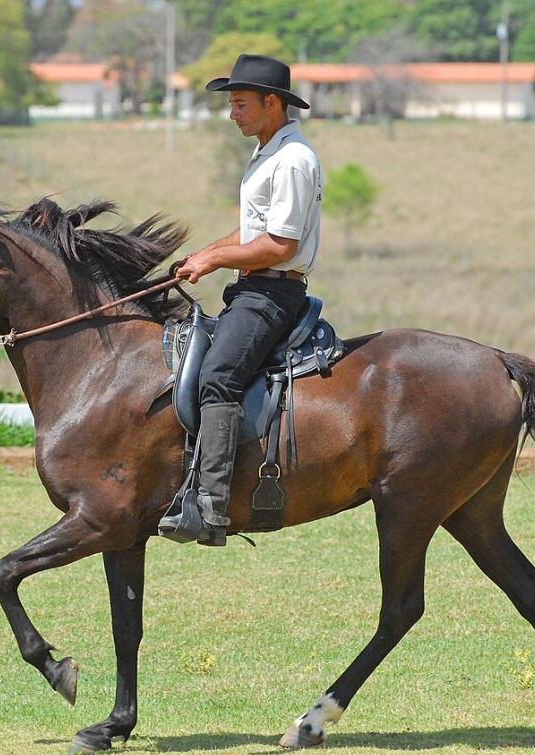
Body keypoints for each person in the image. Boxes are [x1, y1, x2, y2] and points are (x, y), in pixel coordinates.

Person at [159, 54, 322, 547]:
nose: (233, 113)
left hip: (273, 290)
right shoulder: (268, 152)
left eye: (240, 104)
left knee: (219, 376)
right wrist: (206, 253)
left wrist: (214, 262)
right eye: (232, 105)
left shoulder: (293, 159)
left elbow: (280, 245)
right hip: (253, 285)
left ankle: (210, 504)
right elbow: (253, 229)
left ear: (272, 103)